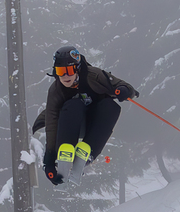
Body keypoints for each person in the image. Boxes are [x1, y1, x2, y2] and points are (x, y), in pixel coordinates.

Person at [32, 45, 137, 185]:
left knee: (111, 106)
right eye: (60, 71)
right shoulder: (56, 90)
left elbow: (124, 86)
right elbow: (51, 123)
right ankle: (66, 149)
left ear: (77, 68)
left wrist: (124, 90)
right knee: (74, 104)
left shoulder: (93, 75)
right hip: (71, 123)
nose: (65, 76)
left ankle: (87, 150)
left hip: (96, 124)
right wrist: (49, 161)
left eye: (69, 70)